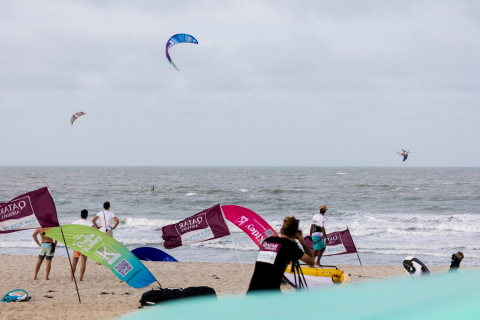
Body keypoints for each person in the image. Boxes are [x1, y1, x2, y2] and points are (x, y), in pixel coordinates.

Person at [247, 216, 314, 293]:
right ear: (296, 234)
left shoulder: (266, 241)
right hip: (271, 294)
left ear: (281, 230)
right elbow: (312, 262)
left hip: (252, 291)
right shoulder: (290, 246)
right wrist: (303, 243)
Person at [70, 209, 93, 281]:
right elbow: (95, 229)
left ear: (80, 215)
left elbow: (69, 230)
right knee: (83, 262)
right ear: (87, 216)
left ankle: (71, 278)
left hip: (76, 244)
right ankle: (80, 278)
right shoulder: (89, 223)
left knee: (74, 262)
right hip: (85, 244)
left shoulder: (74, 222)